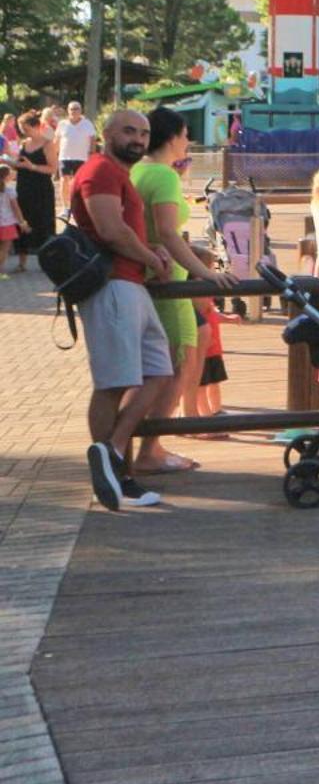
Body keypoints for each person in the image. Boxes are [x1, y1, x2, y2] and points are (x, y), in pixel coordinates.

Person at [73, 109, 175, 511]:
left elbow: (125, 230)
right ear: (106, 134)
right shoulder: (99, 171)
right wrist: (151, 257)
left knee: (159, 370)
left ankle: (112, 451)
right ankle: (114, 472)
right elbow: (111, 230)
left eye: (144, 133)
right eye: (129, 130)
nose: (138, 138)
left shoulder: (119, 175)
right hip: (113, 286)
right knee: (114, 383)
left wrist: (153, 254)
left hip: (131, 285)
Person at [130, 108, 233, 475]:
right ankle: (150, 448)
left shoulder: (138, 170)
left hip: (141, 280)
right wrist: (206, 273)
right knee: (179, 362)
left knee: (149, 367)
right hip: (167, 284)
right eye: (186, 134)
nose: (188, 141)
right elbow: (169, 234)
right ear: (172, 137)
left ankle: (135, 444)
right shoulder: (162, 175)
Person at [12, 109, 56, 252]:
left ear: (36, 126)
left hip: (41, 187)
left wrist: (32, 166)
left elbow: (52, 169)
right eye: (20, 129)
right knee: (24, 213)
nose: (23, 132)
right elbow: (20, 163)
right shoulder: (24, 143)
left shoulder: (47, 144)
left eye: (26, 128)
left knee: (41, 216)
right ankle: (23, 247)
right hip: (24, 185)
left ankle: (43, 248)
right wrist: (12, 164)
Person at [56, 100, 96, 210]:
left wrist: (91, 154)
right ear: (68, 111)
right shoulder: (62, 124)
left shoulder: (87, 123)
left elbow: (92, 139)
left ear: (81, 110)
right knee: (64, 181)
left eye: (76, 109)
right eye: (71, 109)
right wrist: (54, 155)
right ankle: (65, 207)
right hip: (64, 157)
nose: (74, 111)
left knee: (79, 182)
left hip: (82, 158)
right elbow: (57, 140)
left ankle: (78, 207)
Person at [0, 159, 20, 273]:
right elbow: (16, 208)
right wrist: (22, 222)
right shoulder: (10, 191)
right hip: (7, 223)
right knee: (4, 249)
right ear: (6, 177)